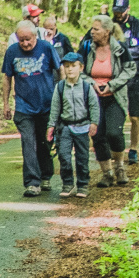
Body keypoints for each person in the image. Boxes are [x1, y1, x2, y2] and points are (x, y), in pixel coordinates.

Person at [77, 14, 138, 187]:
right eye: (92, 28)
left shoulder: (119, 49)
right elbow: (76, 68)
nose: (92, 32)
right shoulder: (87, 46)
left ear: (107, 31)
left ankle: (119, 167)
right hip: (94, 97)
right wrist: (92, 83)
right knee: (98, 135)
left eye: (96, 29)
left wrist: (112, 85)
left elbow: (130, 69)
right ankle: (107, 173)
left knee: (114, 132)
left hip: (115, 97)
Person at [0, 21, 58, 198]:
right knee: (28, 142)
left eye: (28, 39)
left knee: (44, 141)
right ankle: (33, 182)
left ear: (35, 36)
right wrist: (6, 104)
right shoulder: (11, 52)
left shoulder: (46, 48)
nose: (25, 43)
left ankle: (46, 175)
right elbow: (7, 78)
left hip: (46, 104)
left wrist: (60, 97)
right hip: (24, 106)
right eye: (21, 40)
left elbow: (60, 70)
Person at [49, 52, 99, 199]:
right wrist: (51, 126)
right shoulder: (60, 87)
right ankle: (67, 183)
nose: (70, 69)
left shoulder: (86, 87)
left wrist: (94, 123)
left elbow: (94, 106)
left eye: (73, 66)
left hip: (83, 126)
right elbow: (55, 108)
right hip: (65, 127)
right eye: (67, 66)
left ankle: (83, 184)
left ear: (81, 68)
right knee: (64, 156)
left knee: (82, 157)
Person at [110, 0, 139, 166]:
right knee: (115, 116)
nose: (118, 14)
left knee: (135, 116)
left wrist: (124, 53)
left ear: (128, 9)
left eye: (121, 11)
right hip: (114, 76)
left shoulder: (137, 26)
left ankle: (133, 149)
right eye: (116, 11)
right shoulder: (109, 24)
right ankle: (114, 150)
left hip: (133, 76)